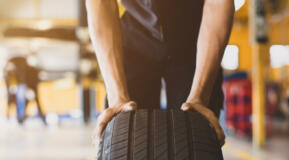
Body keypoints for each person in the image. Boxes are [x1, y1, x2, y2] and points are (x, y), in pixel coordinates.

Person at [86, 0, 235, 146]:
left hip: (194, 38)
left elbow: (218, 2)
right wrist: (116, 98)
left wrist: (200, 98)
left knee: (196, 129)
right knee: (124, 128)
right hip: (136, 35)